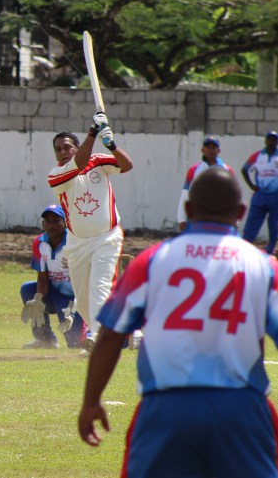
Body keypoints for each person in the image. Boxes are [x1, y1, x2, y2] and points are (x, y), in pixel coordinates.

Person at [78, 167, 278, 477]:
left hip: (166, 408)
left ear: (188, 209)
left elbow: (110, 335)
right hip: (241, 409)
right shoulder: (265, 266)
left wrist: (91, 401)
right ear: (241, 212)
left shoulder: (152, 260)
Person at [47, 113, 134, 353]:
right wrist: (93, 133)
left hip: (107, 236)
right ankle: (129, 328)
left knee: (100, 286)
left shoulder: (98, 161)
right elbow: (79, 162)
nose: (63, 152)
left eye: (67, 147)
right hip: (77, 242)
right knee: (83, 299)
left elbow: (127, 165)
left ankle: (97, 335)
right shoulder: (57, 175)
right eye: (58, 149)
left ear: (76, 147)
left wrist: (112, 145)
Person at [20, 204, 84, 349]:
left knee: (75, 344)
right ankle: (45, 339)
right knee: (28, 289)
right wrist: (38, 299)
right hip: (54, 292)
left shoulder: (74, 242)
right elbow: (42, 277)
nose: (51, 225)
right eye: (48, 221)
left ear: (65, 223)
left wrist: (75, 304)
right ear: (43, 224)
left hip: (75, 297)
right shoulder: (39, 243)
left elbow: (83, 278)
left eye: (56, 221)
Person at [177, 136, 233, 231]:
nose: (211, 150)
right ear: (202, 150)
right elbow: (185, 193)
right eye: (208, 147)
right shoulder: (194, 170)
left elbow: (232, 195)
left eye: (213, 147)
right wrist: (181, 218)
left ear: (218, 150)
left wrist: (234, 219)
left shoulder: (226, 170)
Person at [241, 131, 278, 253]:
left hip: (275, 195)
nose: (272, 142)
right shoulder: (257, 156)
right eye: (270, 140)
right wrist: (252, 185)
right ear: (265, 141)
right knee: (253, 221)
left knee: (274, 224)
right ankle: (245, 247)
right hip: (260, 194)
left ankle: (271, 249)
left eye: (274, 140)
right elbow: (244, 169)